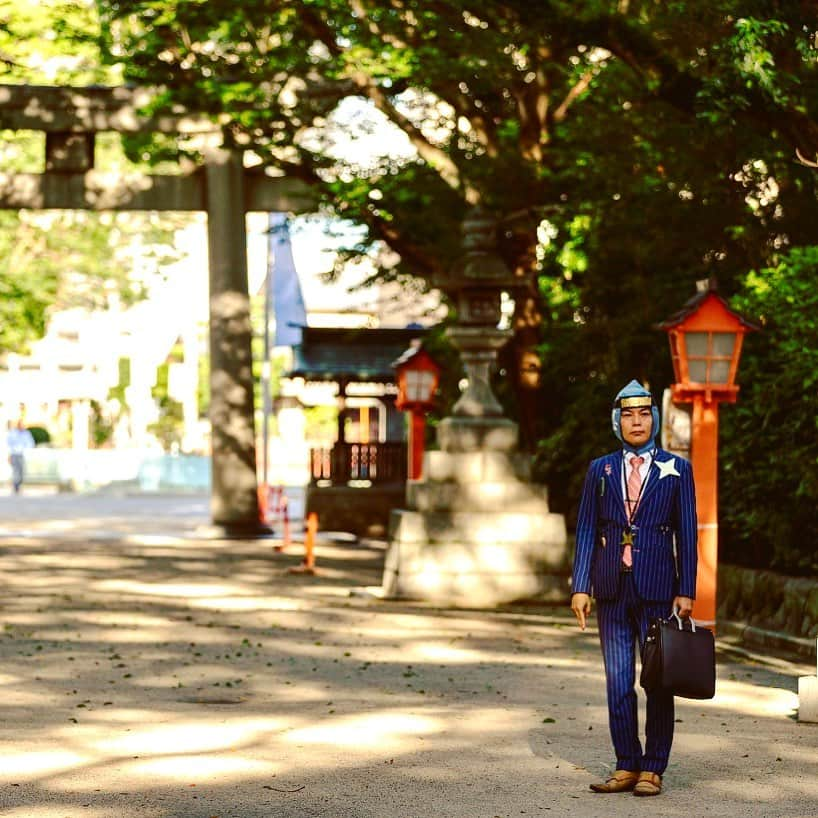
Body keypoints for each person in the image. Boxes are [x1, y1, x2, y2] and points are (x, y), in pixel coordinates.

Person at [570, 379, 697, 797]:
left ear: (654, 420)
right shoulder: (600, 469)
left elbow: (687, 531)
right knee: (617, 679)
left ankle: (654, 767)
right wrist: (580, 586)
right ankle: (626, 763)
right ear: (616, 421)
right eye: (628, 414)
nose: (637, 422)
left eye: (644, 414)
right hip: (610, 587)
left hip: (660, 587)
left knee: (658, 678)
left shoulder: (677, 469)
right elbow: (587, 527)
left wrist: (688, 587)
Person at [7, 420, 35, 494]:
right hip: (14, 454)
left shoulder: (26, 433)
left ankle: (18, 484)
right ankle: (16, 486)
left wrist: (26, 449)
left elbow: (31, 443)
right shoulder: (12, 433)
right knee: (16, 471)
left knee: (21, 471)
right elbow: (8, 444)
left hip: (22, 454)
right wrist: (9, 455)